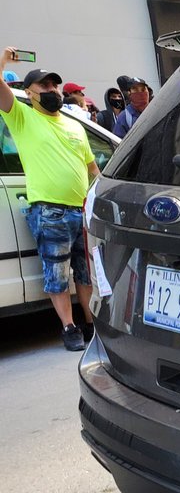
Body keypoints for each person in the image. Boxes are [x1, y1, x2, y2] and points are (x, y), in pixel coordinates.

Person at [0, 47, 98, 350]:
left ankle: (90, 323)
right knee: (56, 272)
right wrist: (3, 60)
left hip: (80, 211)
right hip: (50, 211)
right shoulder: (22, 118)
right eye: (44, 85)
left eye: (55, 84)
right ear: (29, 93)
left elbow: (92, 168)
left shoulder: (73, 125)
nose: (52, 90)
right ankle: (69, 328)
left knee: (84, 273)